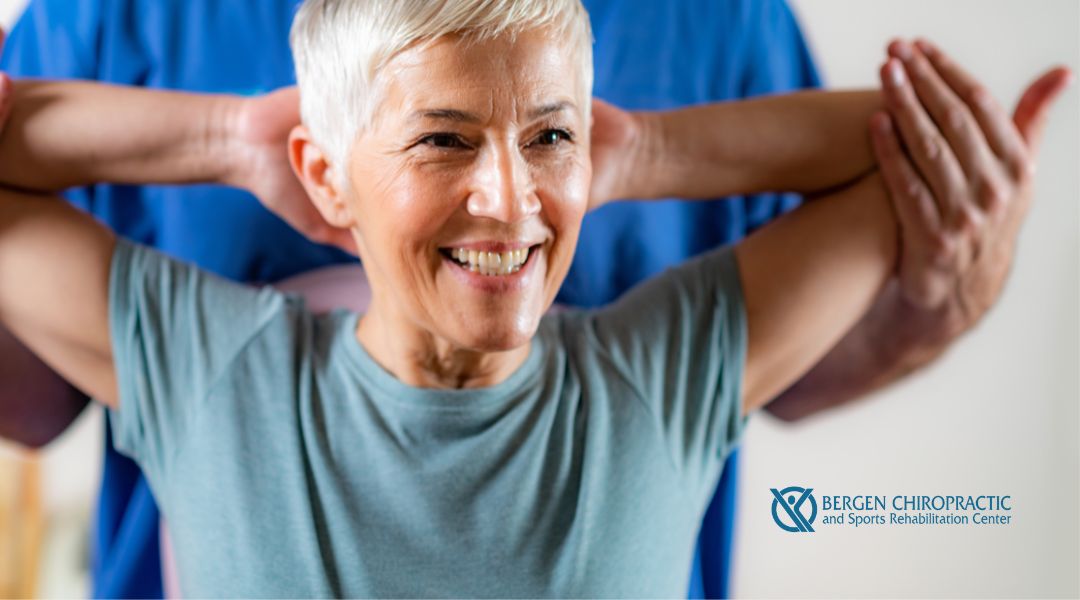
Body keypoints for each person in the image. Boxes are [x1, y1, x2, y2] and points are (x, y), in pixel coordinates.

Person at [0, 1, 1070, 598]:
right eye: (444, 139)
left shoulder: (660, 377)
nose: (507, 198)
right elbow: (30, 397)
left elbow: (885, 174)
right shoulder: (212, 374)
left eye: (548, 136)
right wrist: (228, 141)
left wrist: (636, 152)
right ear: (324, 173)